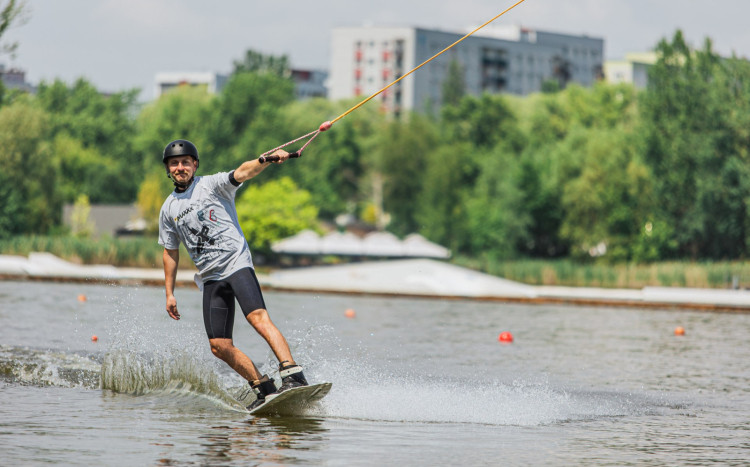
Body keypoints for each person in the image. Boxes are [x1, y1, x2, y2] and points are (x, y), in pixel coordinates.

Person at [158, 139, 308, 410]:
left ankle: (293, 374)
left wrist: (265, 160)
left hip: (236, 263)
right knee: (219, 346)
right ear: (168, 169)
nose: (180, 167)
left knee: (257, 318)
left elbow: (242, 172)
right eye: (174, 164)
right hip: (211, 277)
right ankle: (263, 386)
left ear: (195, 164)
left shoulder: (212, 185)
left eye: (185, 162)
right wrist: (169, 293)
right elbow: (170, 251)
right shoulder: (168, 209)